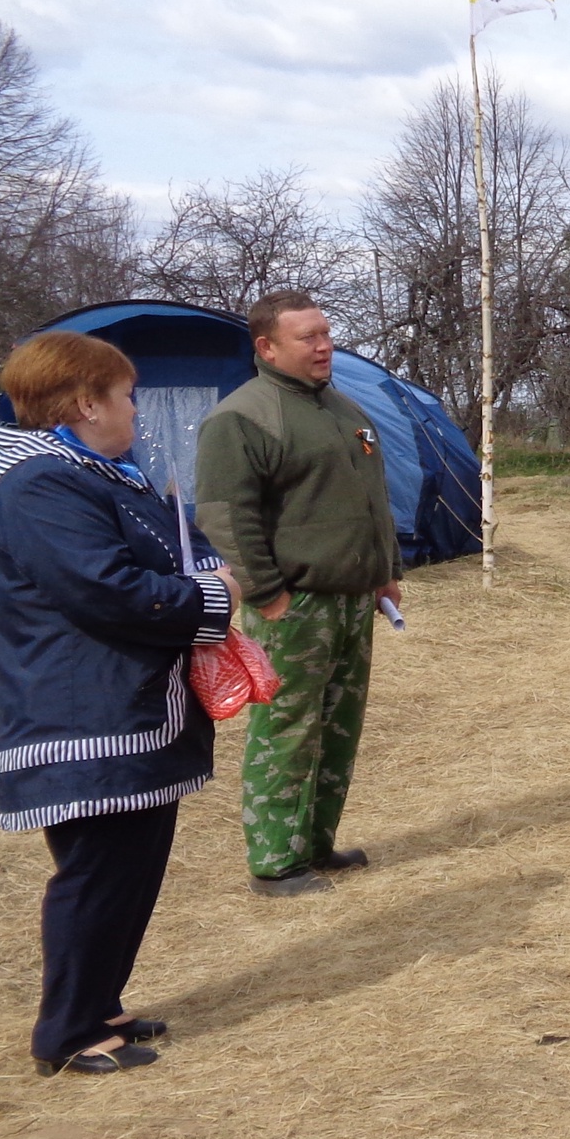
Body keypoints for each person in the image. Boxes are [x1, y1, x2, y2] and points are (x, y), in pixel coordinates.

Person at [0, 332, 237, 1073]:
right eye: (127, 396)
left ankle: (101, 1003)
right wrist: (213, 595)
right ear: (87, 403)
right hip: (85, 715)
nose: (136, 412)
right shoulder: (42, 486)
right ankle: (65, 1035)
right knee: (97, 874)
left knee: (130, 870)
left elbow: (180, 547)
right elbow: (109, 592)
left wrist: (207, 575)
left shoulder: (104, 476)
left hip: (133, 708)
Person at [193, 290, 403, 896]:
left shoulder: (343, 409)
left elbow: (373, 498)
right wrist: (268, 596)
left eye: (325, 333)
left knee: (338, 726)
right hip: (297, 603)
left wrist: (384, 570)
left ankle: (316, 843)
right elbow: (226, 515)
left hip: (353, 598)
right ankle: (275, 862)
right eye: (307, 337)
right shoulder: (243, 417)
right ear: (267, 347)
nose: (323, 345)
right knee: (286, 729)